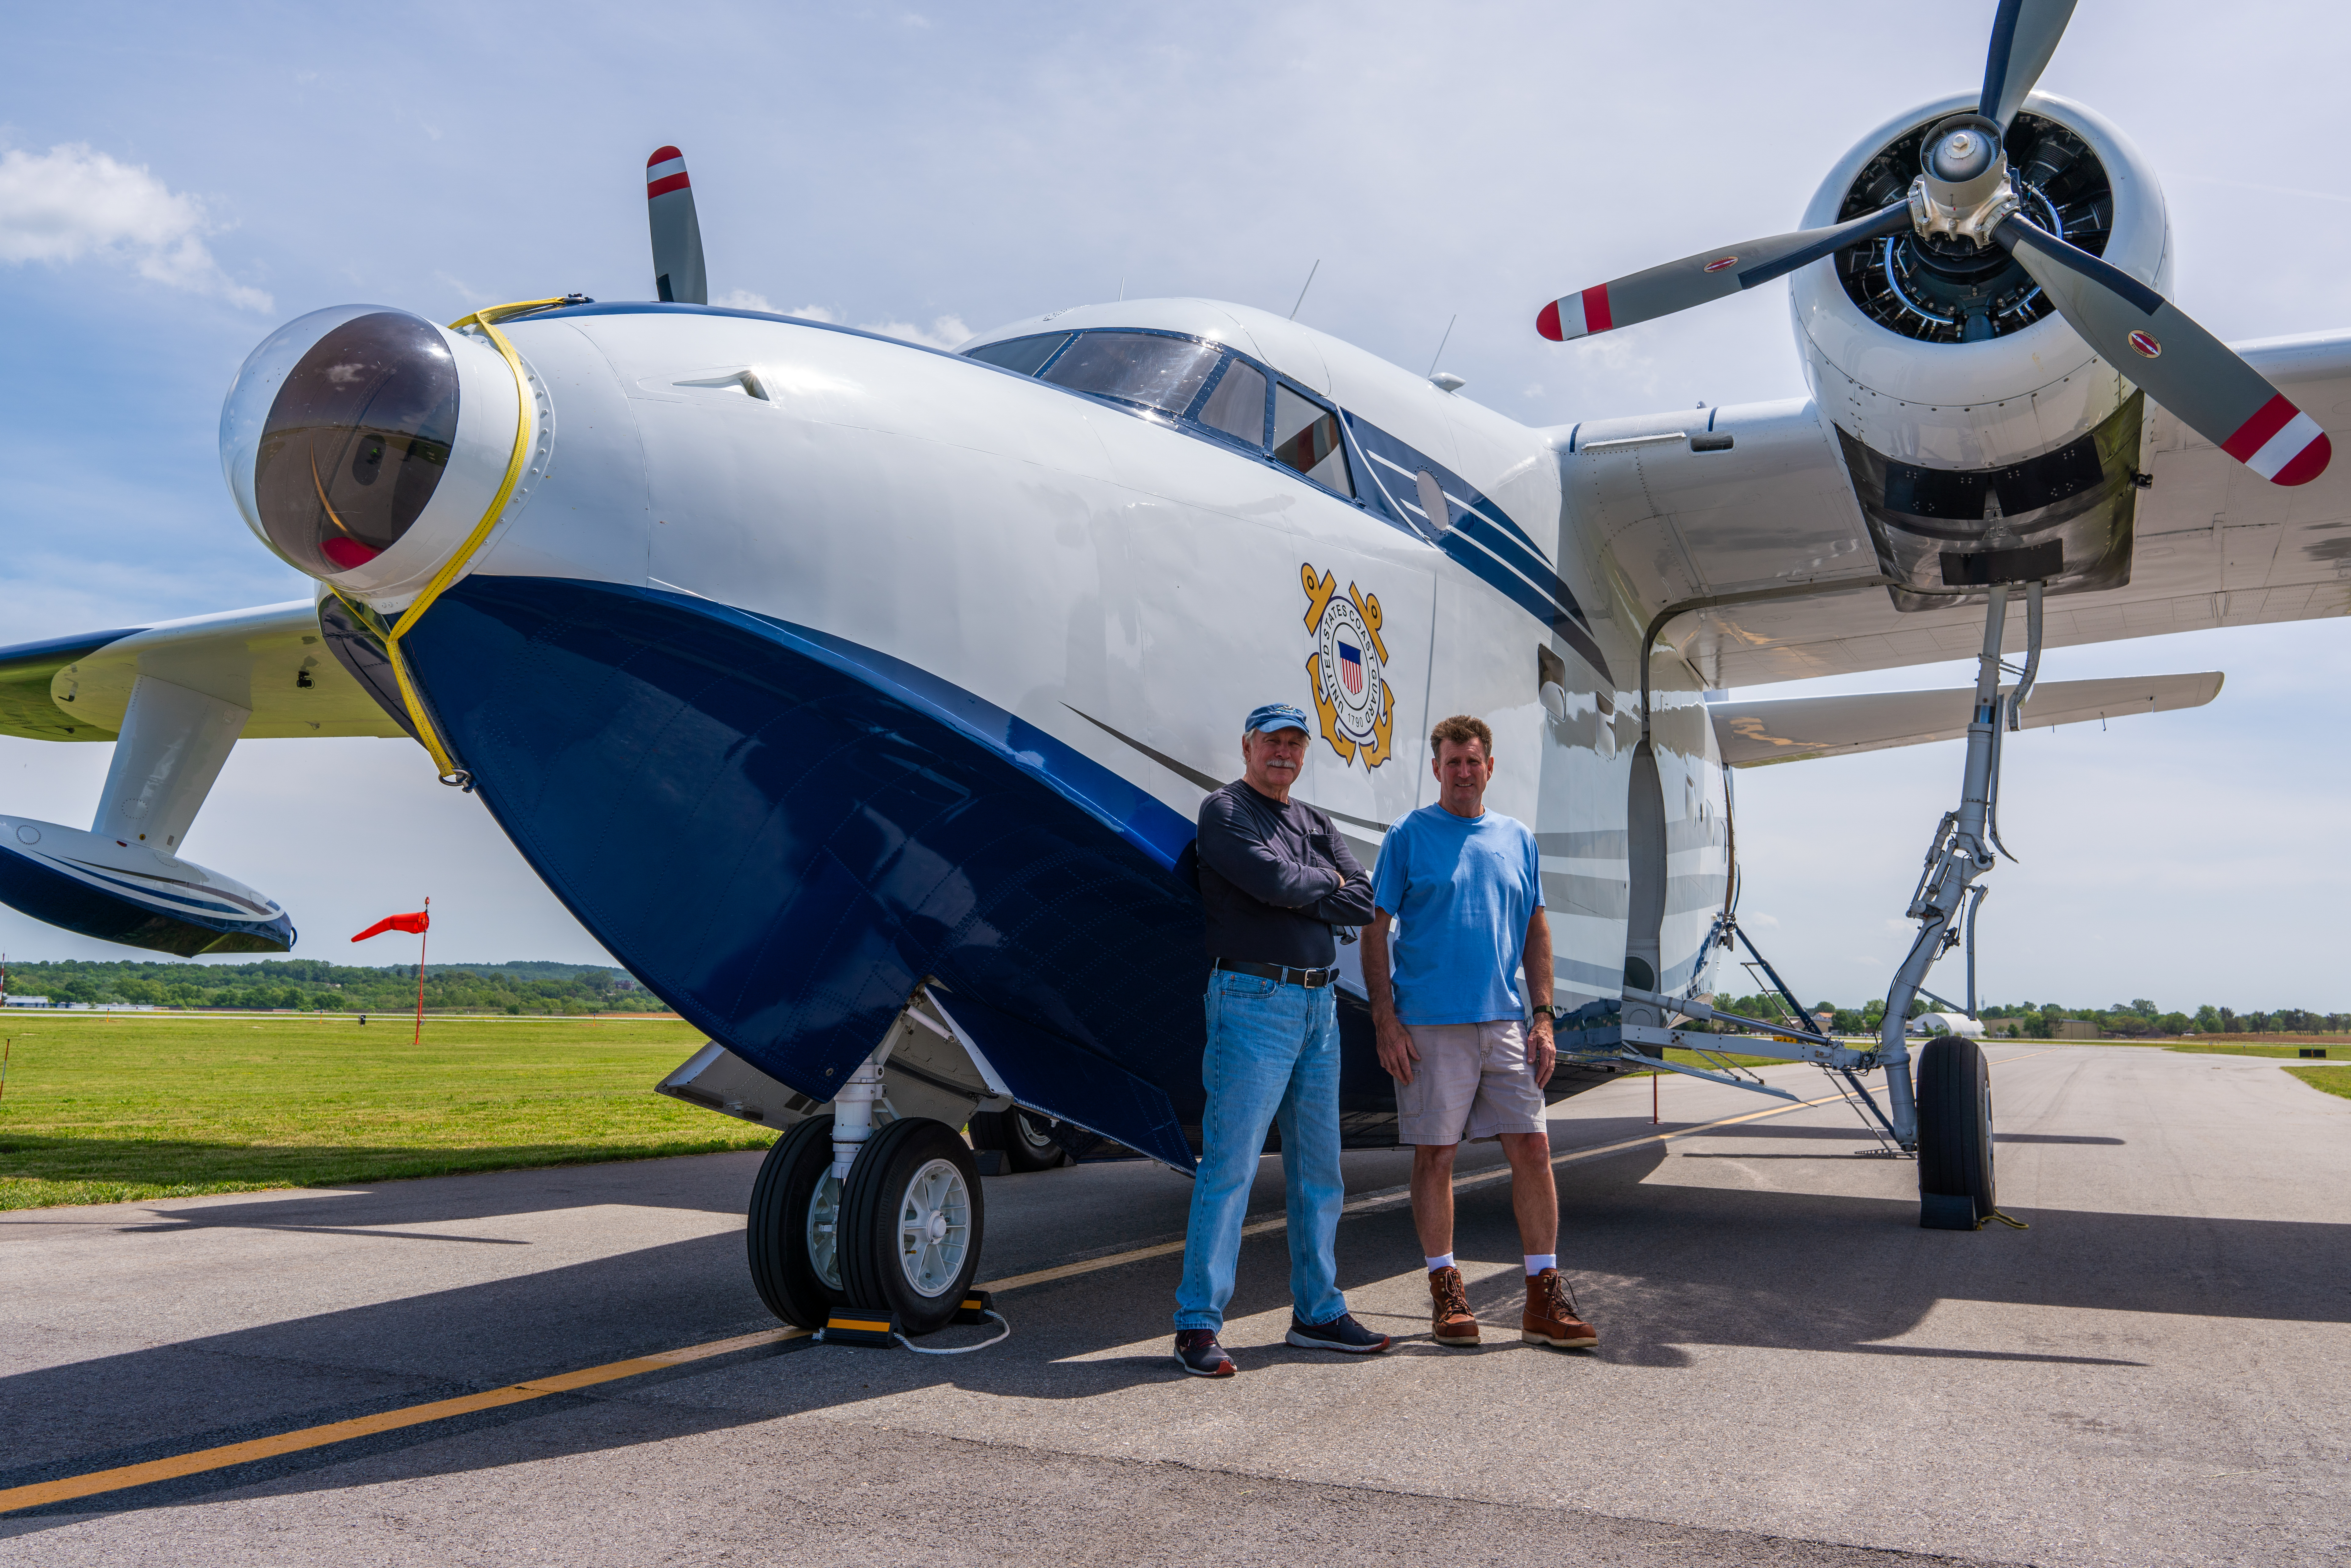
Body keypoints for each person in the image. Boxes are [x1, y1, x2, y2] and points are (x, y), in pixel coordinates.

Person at [1364, 714, 1598, 1351]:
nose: (1463, 772)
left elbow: (1535, 931)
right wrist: (1385, 1018)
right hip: (1428, 1024)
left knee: (1533, 1149)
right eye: (1451, 762)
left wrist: (1543, 1016)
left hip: (1503, 1020)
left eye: (1473, 762)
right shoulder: (1409, 836)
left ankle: (1542, 1297)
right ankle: (1446, 1291)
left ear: (1489, 767)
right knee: (1435, 1154)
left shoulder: (1517, 838)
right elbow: (1373, 928)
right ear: (1436, 769)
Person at [1173, 701, 1391, 1377]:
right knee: (1231, 1167)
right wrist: (1321, 881)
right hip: (1252, 999)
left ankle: (1318, 1313)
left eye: (1296, 744)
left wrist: (1312, 886)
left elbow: (1363, 897)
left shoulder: (1314, 821)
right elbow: (1268, 878)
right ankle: (1197, 1326)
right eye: (1273, 742)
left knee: (1318, 1170)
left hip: (1319, 1004)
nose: (1285, 754)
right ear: (1248, 745)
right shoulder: (1225, 811)